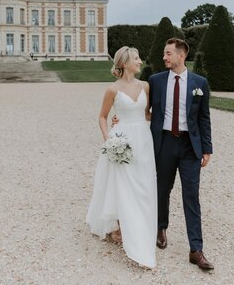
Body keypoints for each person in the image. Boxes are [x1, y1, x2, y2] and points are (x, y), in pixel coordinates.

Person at [86, 46, 157, 269]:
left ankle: (142, 224)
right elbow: (102, 117)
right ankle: (120, 225)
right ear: (125, 62)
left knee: (143, 183)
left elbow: (146, 114)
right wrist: (109, 139)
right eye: (136, 58)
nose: (140, 61)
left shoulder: (145, 85)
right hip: (121, 139)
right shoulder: (112, 90)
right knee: (123, 184)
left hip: (143, 140)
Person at [149, 38, 214, 270]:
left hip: (190, 147)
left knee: (191, 196)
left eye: (168, 54)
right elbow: (144, 110)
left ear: (181, 55)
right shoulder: (155, 81)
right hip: (165, 143)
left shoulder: (200, 83)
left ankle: (196, 249)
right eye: (164, 54)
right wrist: (121, 119)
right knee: (162, 189)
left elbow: (204, 117)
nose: (164, 57)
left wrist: (207, 148)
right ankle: (160, 227)